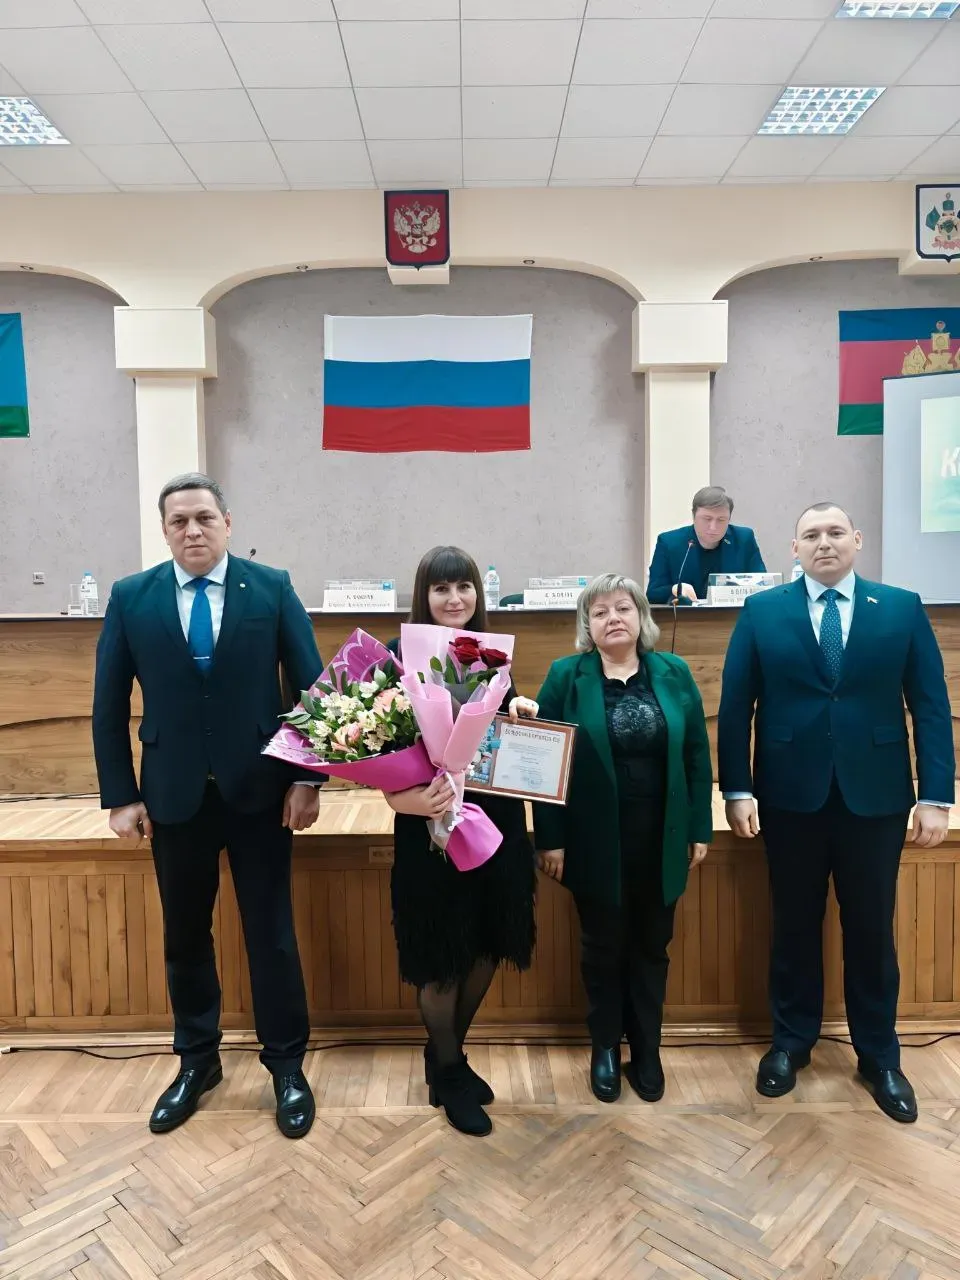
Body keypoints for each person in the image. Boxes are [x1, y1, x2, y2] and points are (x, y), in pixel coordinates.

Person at [92, 473, 324, 1138]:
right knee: (185, 936)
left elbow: (312, 689)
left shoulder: (270, 588)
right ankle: (198, 1061)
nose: (192, 530)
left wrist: (309, 779)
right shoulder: (132, 597)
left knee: (271, 935)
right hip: (173, 796)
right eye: (178, 521)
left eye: (203, 518)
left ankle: (286, 1066)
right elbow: (108, 703)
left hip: (262, 794)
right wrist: (121, 795)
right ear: (165, 530)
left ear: (227, 522)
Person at [718, 503, 955, 1123]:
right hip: (788, 798)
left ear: (857, 540)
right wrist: (736, 789)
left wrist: (936, 796)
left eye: (834, 533)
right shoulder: (762, 611)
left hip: (875, 799)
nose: (823, 543)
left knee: (872, 930)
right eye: (811, 535)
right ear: (793, 548)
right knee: (794, 924)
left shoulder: (900, 608)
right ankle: (790, 1043)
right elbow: (736, 706)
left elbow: (930, 705)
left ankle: (879, 1055)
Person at [513, 573, 713, 1103]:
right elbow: (545, 763)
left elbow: (696, 753)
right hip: (593, 839)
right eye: (599, 612)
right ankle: (604, 1045)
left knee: (652, 946)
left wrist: (699, 827)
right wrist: (550, 839)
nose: (612, 619)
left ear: (640, 616)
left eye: (622, 608)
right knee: (602, 947)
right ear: (588, 625)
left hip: (661, 836)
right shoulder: (567, 675)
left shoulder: (672, 671)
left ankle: (647, 1048)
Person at [381, 546, 536, 1138]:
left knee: (486, 944)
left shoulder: (493, 654)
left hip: (494, 821)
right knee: (440, 956)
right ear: (424, 595)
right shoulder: (398, 658)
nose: (454, 599)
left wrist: (521, 709)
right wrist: (404, 800)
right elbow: (376, 748)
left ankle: (447, 1056)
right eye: (441, 588)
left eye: (464, 587)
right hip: (429, 824)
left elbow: (502, 738)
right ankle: (449, 1072)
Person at [646, 485, 766, 604]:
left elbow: (763, 587)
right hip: (687, 615)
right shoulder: (669, 542)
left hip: (733, 614)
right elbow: (653, 594)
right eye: (707, 519)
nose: (713, 527)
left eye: (721, 520)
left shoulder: (743, 539)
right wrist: (675, 589)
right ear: (694, 516)